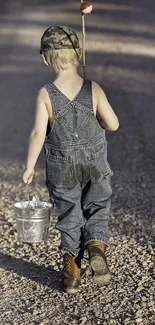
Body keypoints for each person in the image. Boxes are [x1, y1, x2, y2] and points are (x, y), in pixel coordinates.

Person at [23, 25, 119, 294]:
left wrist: (30, 166)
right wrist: (96, 118)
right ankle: (96, 247)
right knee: (98, 204)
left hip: (61, 166)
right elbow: (113, 124)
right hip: (95, 163)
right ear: (79, 53)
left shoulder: (45, 94)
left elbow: (37, 133)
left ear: (44, 58)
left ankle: (71, 273)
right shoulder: (93, 88)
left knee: (69, 213)